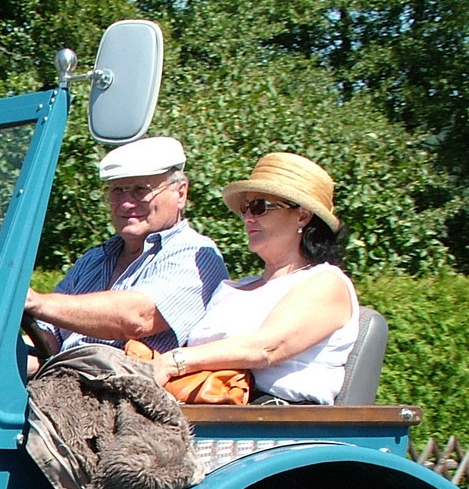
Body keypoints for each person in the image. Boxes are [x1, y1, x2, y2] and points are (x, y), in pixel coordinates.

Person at [155, 152, 357, 404]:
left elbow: (265, 349)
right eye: (246, 207)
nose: (248, 217)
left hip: (276, 423)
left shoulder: (326, 282)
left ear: (302, 216)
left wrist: (172, 361)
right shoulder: (235, 287)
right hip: (206, 409)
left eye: (260, 207)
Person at [23, 136, 228, 360]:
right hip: (61, 380)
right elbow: (47, 341)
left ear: (180, 193)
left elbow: (137, 318)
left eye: (141, 190)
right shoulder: (94, 259)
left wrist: (37, 302)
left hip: (127, 387)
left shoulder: (196, 254)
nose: (126, 203)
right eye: (117, 191)